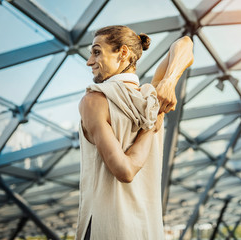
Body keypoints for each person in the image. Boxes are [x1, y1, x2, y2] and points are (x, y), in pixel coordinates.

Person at [76, 25, 193, 240]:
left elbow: (126, 171)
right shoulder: (150, 101)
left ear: (122, 53)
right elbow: (185, 45)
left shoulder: (94, 101)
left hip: (106, 226)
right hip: (146, 227)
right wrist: (154, 117)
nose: (89, 62)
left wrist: (169, 82)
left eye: (96, 52)